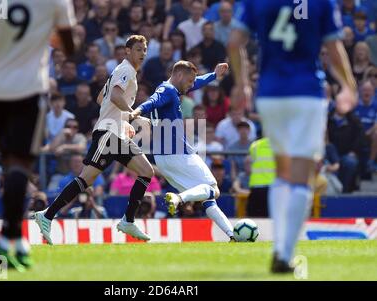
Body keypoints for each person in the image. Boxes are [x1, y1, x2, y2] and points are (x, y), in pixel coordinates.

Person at [228, 0, 357, 273]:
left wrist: (242, 84)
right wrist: (349, 85)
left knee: (282, 172)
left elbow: (234, 41)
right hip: (307, 92)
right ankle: (284, 253)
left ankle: (279, 249)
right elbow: (334, 49)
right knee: (302, 174)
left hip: (271, 92)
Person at [0, 0, 80, 271]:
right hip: (30, 91)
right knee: (20, 166)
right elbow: (70, 47)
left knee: (11, 164)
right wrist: (44, 32)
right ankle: (6, 239)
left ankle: (17, 240)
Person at [35, 35, 156, 243]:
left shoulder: (122, 72)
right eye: (138, 49)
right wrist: (133, 115)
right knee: (86, 178)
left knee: (146, 171)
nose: (142, 53)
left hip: (115, 132)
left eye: (145, 49)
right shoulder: (126, 70)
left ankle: (128, 219)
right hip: (108, 134)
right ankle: (46, 215)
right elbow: (115, 97)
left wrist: (122, 120)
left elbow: (102, 98)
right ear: (127, 51)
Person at [130, 60, 236, 241]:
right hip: (178, 152)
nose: (191, 86)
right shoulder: (168, 91)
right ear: (179, 75)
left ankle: (232, 234)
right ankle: (179, 199)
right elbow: (152, 101)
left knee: (207, 197)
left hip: (163, 159)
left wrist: (214, 74)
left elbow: (196, 83)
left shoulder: (169, 88)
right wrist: (136, 111)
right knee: (213, 189)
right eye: (189, 81)